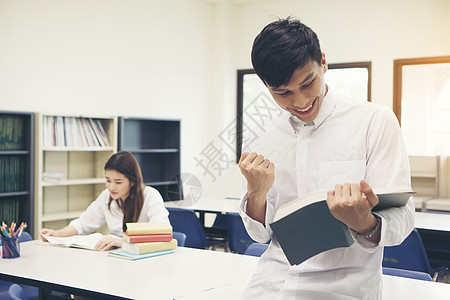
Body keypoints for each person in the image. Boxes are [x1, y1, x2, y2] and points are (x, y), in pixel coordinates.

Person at [238, 17, 415, 299]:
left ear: (323, 62)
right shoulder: (262, 134)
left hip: (342, 289)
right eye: (282, 93)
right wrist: (255, 195)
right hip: (270, 285)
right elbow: (260, 236)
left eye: (308, 83)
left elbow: (404, 219)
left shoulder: (374, 121)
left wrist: (364, 223)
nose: (299, 102)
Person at [40, 151, 170, 250]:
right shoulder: (107, 196)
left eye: (118, 182)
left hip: (145, 260)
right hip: (116, 258)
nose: (111, 187)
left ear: (132, 181)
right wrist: (56, 234)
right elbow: (83, 223)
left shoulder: (150, 196)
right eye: (108, 180)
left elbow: (162, 233)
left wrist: (125, 242)